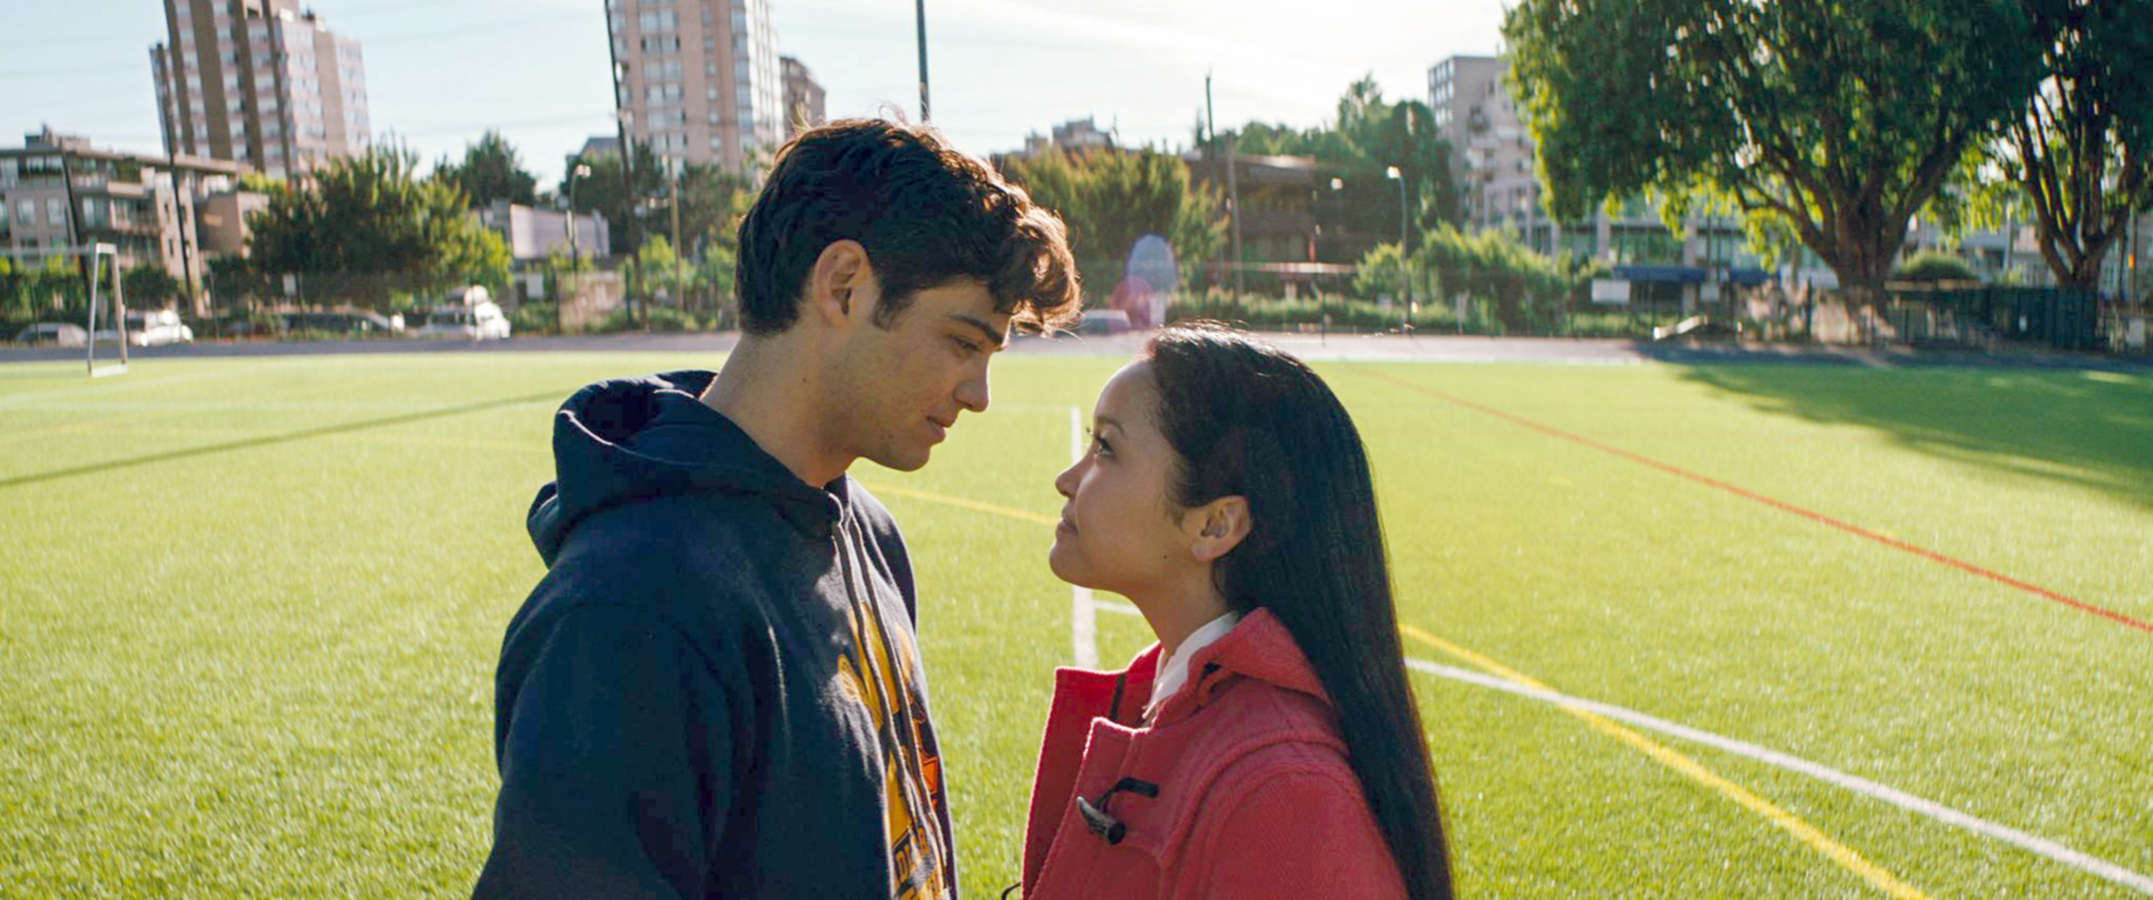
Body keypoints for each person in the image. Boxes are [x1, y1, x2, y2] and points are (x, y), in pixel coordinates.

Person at [472, 118, 1080, 899]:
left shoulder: (865, 529)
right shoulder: (627, 612)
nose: (978, 394)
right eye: (962, 343)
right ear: (843, 286)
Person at [1018, 323, 1455, 899]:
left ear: (1214, 525)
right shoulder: (1173, 699)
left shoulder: (1285, 794)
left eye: (1106, 448)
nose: (1067, 480)